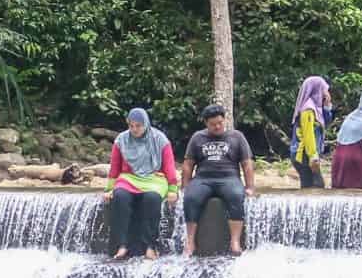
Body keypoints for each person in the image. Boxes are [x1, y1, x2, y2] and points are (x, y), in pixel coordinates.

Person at [182, 103, 256, 254]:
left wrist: (250, 187)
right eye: (213, 124)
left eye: (220, 123)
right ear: (206, 123)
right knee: (190, 198)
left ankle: (235, 242)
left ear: (224, 120)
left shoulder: (237, 137)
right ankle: (190, 242)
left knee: (236, 196)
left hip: (229, 178)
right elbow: (188, 164)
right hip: (203, 179)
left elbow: (247, 163)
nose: (217, 127)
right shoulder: (197, 137)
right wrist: (185, 186)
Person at [106, 107, 178, 259]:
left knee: (152, 198)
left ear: (146, 124)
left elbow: (169, 165)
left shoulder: (160, 139)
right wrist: (109, 189)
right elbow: (115, 167)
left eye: (138, 126)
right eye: (131, 125)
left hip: (155, 178)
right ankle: (122, 245)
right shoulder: (121, 140)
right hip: (129, 178)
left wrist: (173, 189)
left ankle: (150, 246)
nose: (134, 129)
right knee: (120, 196)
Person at [291, 76, 332, 189]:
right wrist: (313, 156)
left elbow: (326, 122)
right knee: (318, 185)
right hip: (304, 155)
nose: (326, 93)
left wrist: (327, 107)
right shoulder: (308, 109)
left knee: (309, 187)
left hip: (307, 154)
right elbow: (308, 134)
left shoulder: (316, 109)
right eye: (324, 90)